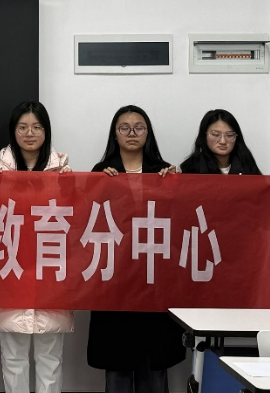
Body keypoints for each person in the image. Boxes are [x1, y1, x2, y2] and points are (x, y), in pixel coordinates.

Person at [88, 105, 184, 393]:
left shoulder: (164, 171)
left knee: (154, 366)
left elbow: (180, 221)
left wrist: (179, 185)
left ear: (148, 133)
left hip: (155, 279)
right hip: (115, 281)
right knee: (117, 365)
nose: (132, 133)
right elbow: (87, 222)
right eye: (124, 127)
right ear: (115, 134)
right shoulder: (101, 172)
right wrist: (97, 186)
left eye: (139, 127)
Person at [0, 101, 73, 393]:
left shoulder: (64, 172)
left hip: (50, 272)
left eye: (37, 127)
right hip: (11, 271)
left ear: (46, 131)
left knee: (50, 358)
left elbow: (78, 222)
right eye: (22, 127)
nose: (29, 133)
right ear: (13, 131)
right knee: (13, 358)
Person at [179, 108, 270, 229]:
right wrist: (168, 180)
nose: (223, 141)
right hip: (205, 238)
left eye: (229, 135)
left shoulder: (247, 166)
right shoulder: (189, 168)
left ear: (236, 137)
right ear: (204, 135)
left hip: (242, 238)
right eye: (215, 135)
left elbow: (269, 221)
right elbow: (180, 217)